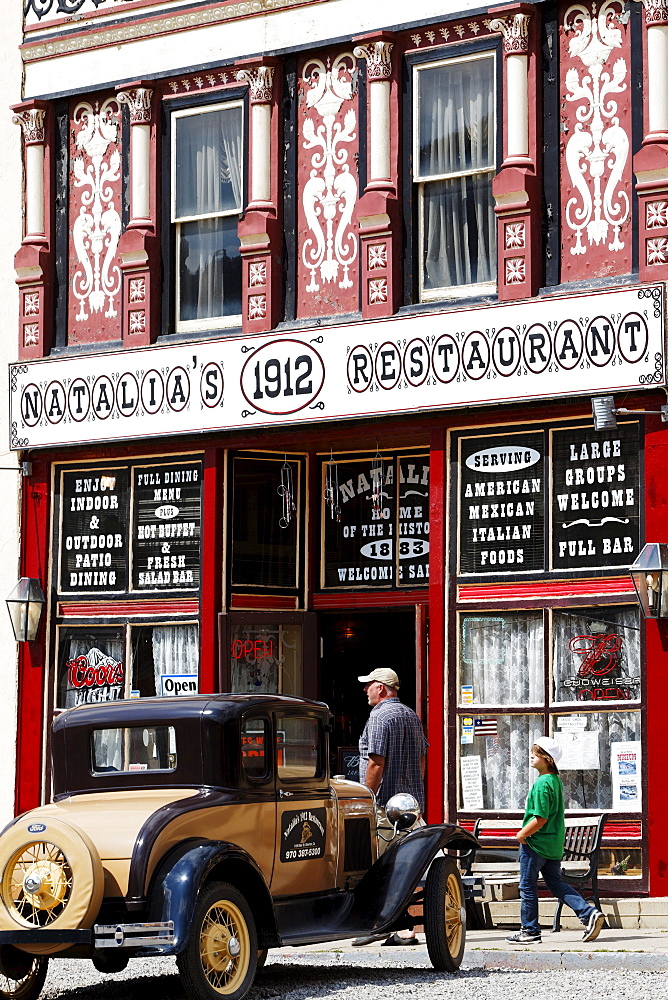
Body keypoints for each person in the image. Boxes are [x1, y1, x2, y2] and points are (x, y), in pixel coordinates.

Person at [352, 667, 428, 947]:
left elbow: (375, 762)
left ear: (381, 688)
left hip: (385, 805)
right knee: (411, 865)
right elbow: (422, 758)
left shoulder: (380, 715)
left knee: (382, 866)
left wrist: (367, 798)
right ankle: (408, 929)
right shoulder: (410, 714)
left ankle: (382, 924)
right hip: (410, 805)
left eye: (368, 685)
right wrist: (412, 795)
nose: (365, 690)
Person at [506, 736, 605, 945]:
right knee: (556, 884)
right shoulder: (555, 781)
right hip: (552, 845)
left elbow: (540, 817)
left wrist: (521, 834)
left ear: (548, 759)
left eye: (537, 753)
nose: (531, 755)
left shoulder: (542, 783)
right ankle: (588, 913)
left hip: (535, 844)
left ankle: (530, 930)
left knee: (527, 887)